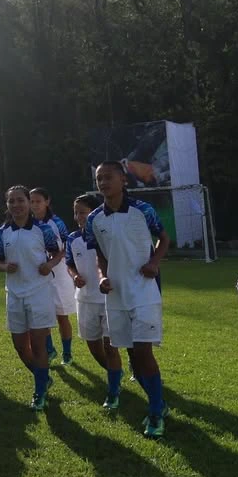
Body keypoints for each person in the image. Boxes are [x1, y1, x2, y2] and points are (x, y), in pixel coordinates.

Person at [84, 162, 170, 438]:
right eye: (99, 178)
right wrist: (101, 276)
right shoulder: (94, 219)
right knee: (132, 355)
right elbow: (99, 255)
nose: (103, 182)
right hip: (116, 295)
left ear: (123, 179)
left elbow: (164, 238)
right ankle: (160, 403)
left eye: (108, 177)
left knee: (144, 353)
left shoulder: (143, 210)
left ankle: (156, 414)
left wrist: (154, 262)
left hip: (144, 291)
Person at [0, 185, 64, 411]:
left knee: (39, 346)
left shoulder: (43, 229)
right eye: (11, 201)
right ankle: (43, 378)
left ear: (29, 203)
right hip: (13, 294)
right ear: (7, 205)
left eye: (20, 200)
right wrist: (4, 267)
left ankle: (39, 392)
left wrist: (49, 265)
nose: (16, 205)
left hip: (39, 293)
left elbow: (59, 252)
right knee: (20, 347)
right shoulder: (2, 232)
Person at [66, 193, 124, 411]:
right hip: (85, 300)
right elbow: (70, 264)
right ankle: (115, 373)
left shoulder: (106, 234)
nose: (79, 216)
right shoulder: (72, 238)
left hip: (109, 298)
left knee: (111, 346)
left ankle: (113, 390)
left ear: (94, 212)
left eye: (83, 211)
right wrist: (74, 277)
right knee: (93, 345)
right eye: (76, 212)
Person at [30, 188, 73, 363]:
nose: (34, 205)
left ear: (47, 202)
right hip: (39, 275)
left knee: (61, 316)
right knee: (42, 314)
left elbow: (64, 249)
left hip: (58, 273)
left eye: (38, 201)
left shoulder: (56, 223)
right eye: (31, 201)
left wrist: (50, 264)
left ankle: (67, 353)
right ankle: (49, 349)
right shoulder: (29, 223)